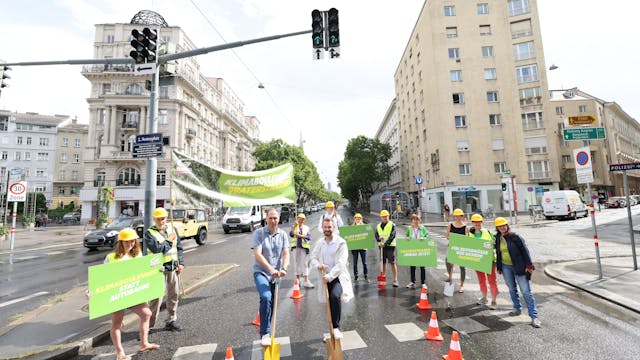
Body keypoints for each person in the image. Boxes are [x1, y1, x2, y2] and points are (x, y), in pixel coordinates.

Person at [93, 228, 159, 360]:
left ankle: (144, 344)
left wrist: (156, 271)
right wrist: (93, 292)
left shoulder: (137, 255)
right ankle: (120, 353)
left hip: (133, 293)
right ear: (121, 242)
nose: (130, 244)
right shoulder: (110, 258)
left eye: (132, 241)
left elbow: (143, 272)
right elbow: (102, 278)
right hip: (117, 295)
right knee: (116, 324)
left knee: (146, 314)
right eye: (127, 242)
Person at [310, 217, 354, 342]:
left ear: (334, 228)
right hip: (324, 277)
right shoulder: (320, 243)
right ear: (322, 228)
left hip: (337, 277)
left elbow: (341, 263)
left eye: (329, 227)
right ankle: (330, 329)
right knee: (328, 303)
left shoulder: (341, 243)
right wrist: (318, 265)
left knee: (335, 296)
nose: (327, 229)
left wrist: (330, 276)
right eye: (325, 227)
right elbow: (313, 257)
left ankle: (336, 327)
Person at [252, 208, 290, 346]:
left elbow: (286, 253)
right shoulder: (259, 233)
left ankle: (266, 327)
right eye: (271, 218)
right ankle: (265, 333)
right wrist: (270, 269)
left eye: (275, 218)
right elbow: (258, 254)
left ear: (278, 219)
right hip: (261, 272)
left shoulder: (283, 235)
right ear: (266, 218)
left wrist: (284, 268)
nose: (273, 221)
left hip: (276, 275)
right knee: (266, 297)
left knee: (272, 304)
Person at [494, 217, 541, 328]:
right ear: (497, 227)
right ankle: (517, 308)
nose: (502, 227)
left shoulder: (515, 237)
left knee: (526, 291)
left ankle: (534, 317)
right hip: (506, 267)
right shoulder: (497, 238)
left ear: (507, 225)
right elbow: (498, 252)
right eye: (500, 226)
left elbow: (525, 251)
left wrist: (529, 266)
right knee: (511, 288)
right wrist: (499, 266)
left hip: (520, 266)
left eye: (504, 225)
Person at [144, 207, 184, 332]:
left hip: (173, 267)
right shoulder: (149, 233)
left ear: (166, 218)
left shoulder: (172, 229)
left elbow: (179, 247)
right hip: (158, 270)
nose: (161, 221)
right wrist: (169, 240)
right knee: (157, 299)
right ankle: (148, 326)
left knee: (174, 295)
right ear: (154, 219)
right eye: (158, 219)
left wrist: (181, 263)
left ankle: (171, 321)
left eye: (163, 218)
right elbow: (157, 249)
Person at [468, 214, 498, 309]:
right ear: (472, 223)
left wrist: (492, 243)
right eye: (475, 222)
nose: (477, 223)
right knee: (481, 280)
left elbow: (494, 242)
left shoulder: (487, 232)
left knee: (492, 280)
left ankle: (494, 300)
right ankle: (484, 298)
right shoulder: (470, 233)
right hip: (478, 261)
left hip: (489, 261)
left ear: (481, 222)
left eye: (479, 221)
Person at [445, 208, 468, 293]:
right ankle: (449, 276)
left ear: (462, 216)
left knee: (462, 267)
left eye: (460, 216)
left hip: (461, 249)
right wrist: (453, 238)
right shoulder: (450, 225)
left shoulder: (465, 227)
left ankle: (462, 285)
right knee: (448, 262)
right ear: (454, 216)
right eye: (456, 216)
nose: (458, 217)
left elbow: (467, 239)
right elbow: (447, 236)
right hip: (452, 247)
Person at [289, 213, 314, 288]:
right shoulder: (294, 226)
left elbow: (309, 237)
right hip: (295, 248)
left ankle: (306, 280)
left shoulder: (306, 228)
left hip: (303, 247)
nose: (301, 220)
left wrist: (302, 236)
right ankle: (298, 280)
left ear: (304, 220)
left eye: (302, 219)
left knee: (304, 264)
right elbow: (291, 234)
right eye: (299, 219)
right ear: (297, 219)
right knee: (296, 263)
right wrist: (294, 227)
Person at [375, 210, 399, 287]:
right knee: (383, 262)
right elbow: (376, 235)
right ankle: (383, 277)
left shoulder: (392, 225)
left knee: (392, 262)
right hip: (381, 247)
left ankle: (395, 280)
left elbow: (392, 235)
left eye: (386, 216)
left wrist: (385, 244)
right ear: (381, 217)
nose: (385, 217)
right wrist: (379, 239)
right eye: (383, 216)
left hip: (390, 246)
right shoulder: (378, 226)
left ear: (388, 216)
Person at [405, 213, 428, 289]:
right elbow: (406, 236)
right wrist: (407, 238)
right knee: (412, 266)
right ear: (412, 220)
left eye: (417, 219)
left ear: (419, 220)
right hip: (412, 249)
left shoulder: (422, 228)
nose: (415, 221)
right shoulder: (409, 228)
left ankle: (423, 282)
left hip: (421, 249)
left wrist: (423, 238)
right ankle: (412, 281)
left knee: (422, 267)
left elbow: (427, 236)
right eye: (414, 219)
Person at [351, 213, 369, 283]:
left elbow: (367, 236)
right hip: (355, 248)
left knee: (364, 262)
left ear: (361, 219)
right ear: (354, 219)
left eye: (359, 219)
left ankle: (366, 275)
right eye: (356, 219)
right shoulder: (352, 227)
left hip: (363, 247)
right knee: (355, 263)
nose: (357, 220)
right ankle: (356, 276)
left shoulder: (364, 227)